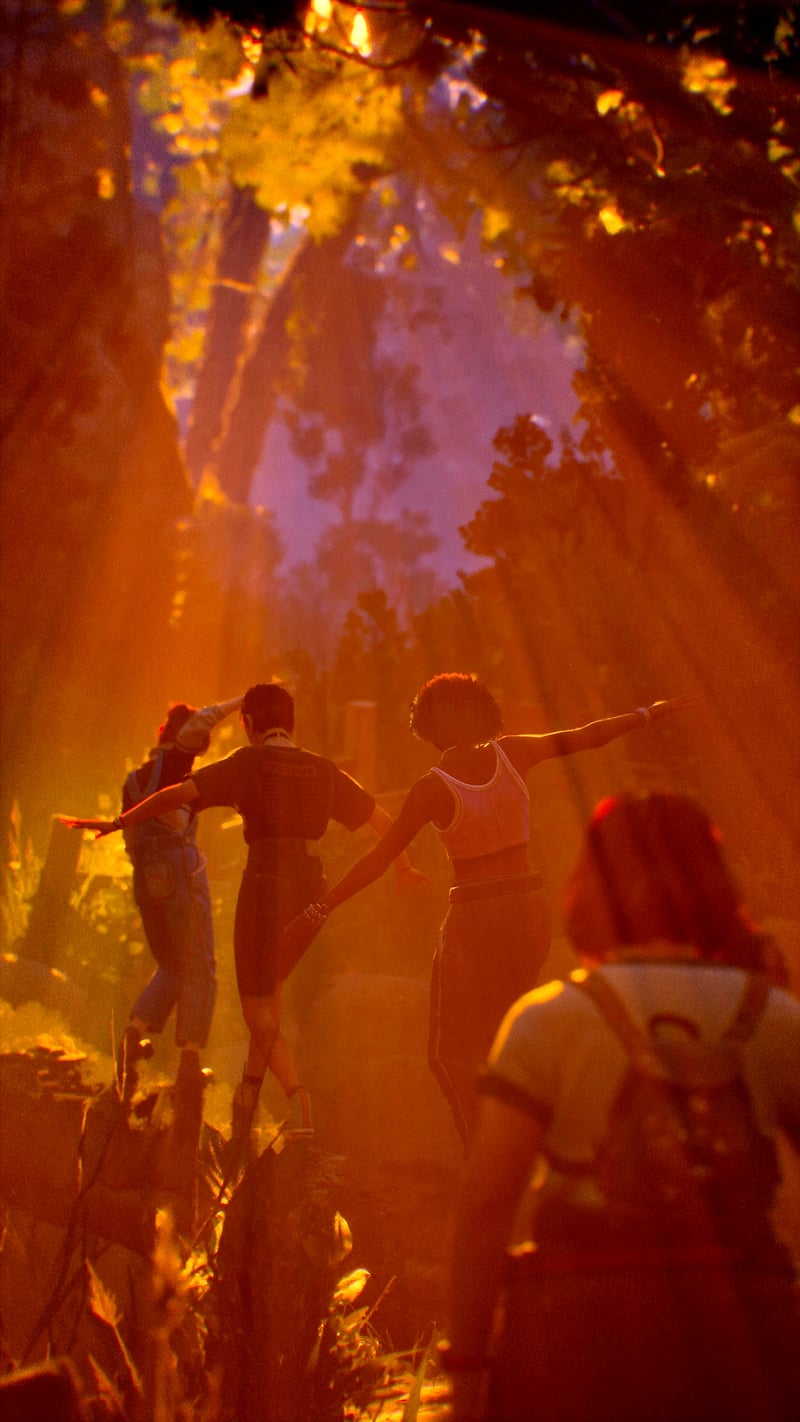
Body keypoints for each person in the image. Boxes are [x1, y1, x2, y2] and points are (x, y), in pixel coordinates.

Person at [441, 792, 800, 1422]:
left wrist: (468, 1371)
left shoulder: (548, 1020)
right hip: (748, 1335)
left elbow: (487, 1200)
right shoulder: (777, 1019)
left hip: (579, 1339)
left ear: (591, 890)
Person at [279, 673, 696, 1145]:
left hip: (476, 918)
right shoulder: (513, 753)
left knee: (448, 1054)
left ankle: (488, 1154)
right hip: (529, 910)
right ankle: (545, 1142)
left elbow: (379, 857)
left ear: (432, 724)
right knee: (512, 1038)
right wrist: (648, 713)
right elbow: (587, 736)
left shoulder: (433, 788)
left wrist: (319, 908)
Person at [62, 682, 426, 1143]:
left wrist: (119, 822)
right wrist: (405, 866)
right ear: (291, 722)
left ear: (249, 723)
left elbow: (177, 795)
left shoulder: (247, 762)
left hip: (264, 888)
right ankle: (248, 1097)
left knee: (255, 1010)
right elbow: (383, 820)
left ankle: (298, 1099)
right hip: (312, 891)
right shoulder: (323, 769)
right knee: (271, 996)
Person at [114, 695, 242, 1107]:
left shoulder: (133, 779)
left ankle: (134, 1034)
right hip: (179, 868)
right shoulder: (176, 764)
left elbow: (130, 837)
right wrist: (245, 700)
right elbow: (202, 721)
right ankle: (190, 1057)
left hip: (143, 874)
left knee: (170, 963)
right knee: (200, 960)